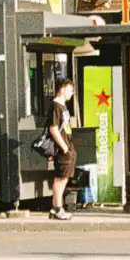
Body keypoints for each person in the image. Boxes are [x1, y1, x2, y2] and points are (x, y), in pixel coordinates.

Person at [48, 77, 76, 221]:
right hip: (62, 148)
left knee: (64, 178)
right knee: (60, 178)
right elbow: (53, 129)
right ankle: (57, 208)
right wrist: (64, 147)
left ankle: (57, 208)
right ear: (62, 89)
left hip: (67, 146)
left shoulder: (63, 106)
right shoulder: (56, 106)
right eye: (70, 90)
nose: (72, 93)